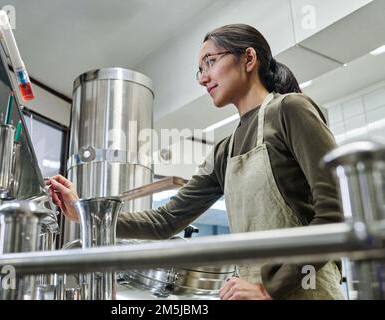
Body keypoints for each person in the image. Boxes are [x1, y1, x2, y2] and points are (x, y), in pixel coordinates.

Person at [46, 24, 344, 300]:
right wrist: (84, 215)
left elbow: (332, 214)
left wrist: (269, 287)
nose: (203, 78)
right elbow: (166, 221)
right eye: (199, 70)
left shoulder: (291, 110)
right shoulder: (223, 151)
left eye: (210, 62)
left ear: (248, 58)